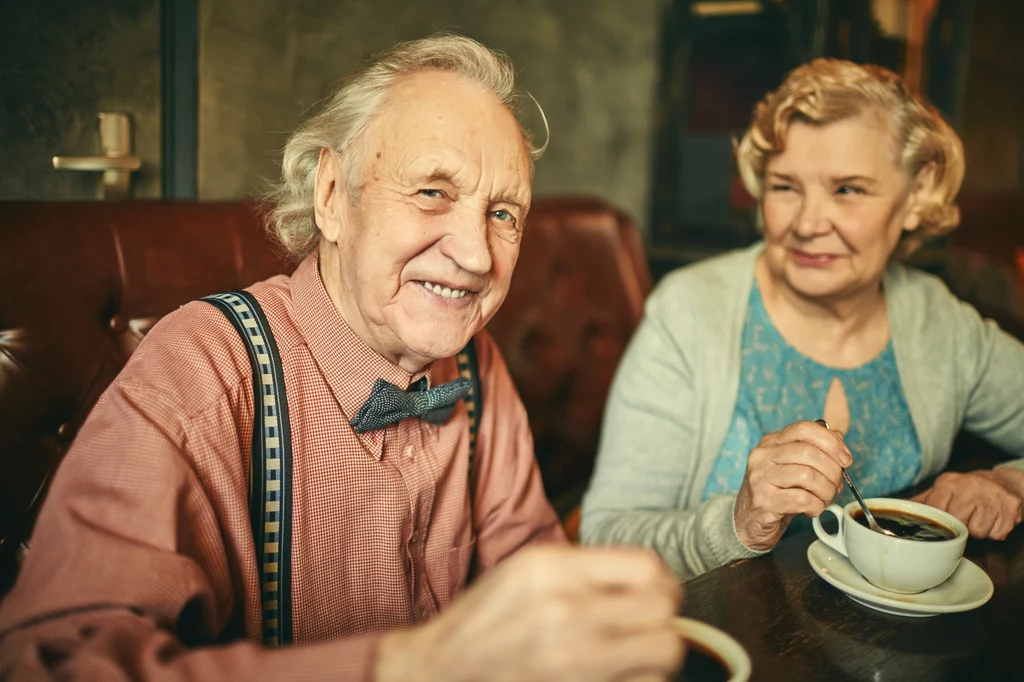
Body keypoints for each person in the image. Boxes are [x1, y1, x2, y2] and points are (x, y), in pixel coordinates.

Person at [0, 35, 684, 681]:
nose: (477, 256)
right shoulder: (203, 374)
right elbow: (51, 663)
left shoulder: (478, 366)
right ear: (332, 196)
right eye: (432, 192)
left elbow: (532, 570)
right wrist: (411, 666)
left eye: (504, 214)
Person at [580, 58, 1024, 581]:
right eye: (785, 187)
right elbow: (606, 540)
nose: (808, 224)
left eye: (847, 189)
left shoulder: (938, 323)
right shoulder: (690, 314)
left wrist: (1009, 485)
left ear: (916, 194)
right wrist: (738, 523)